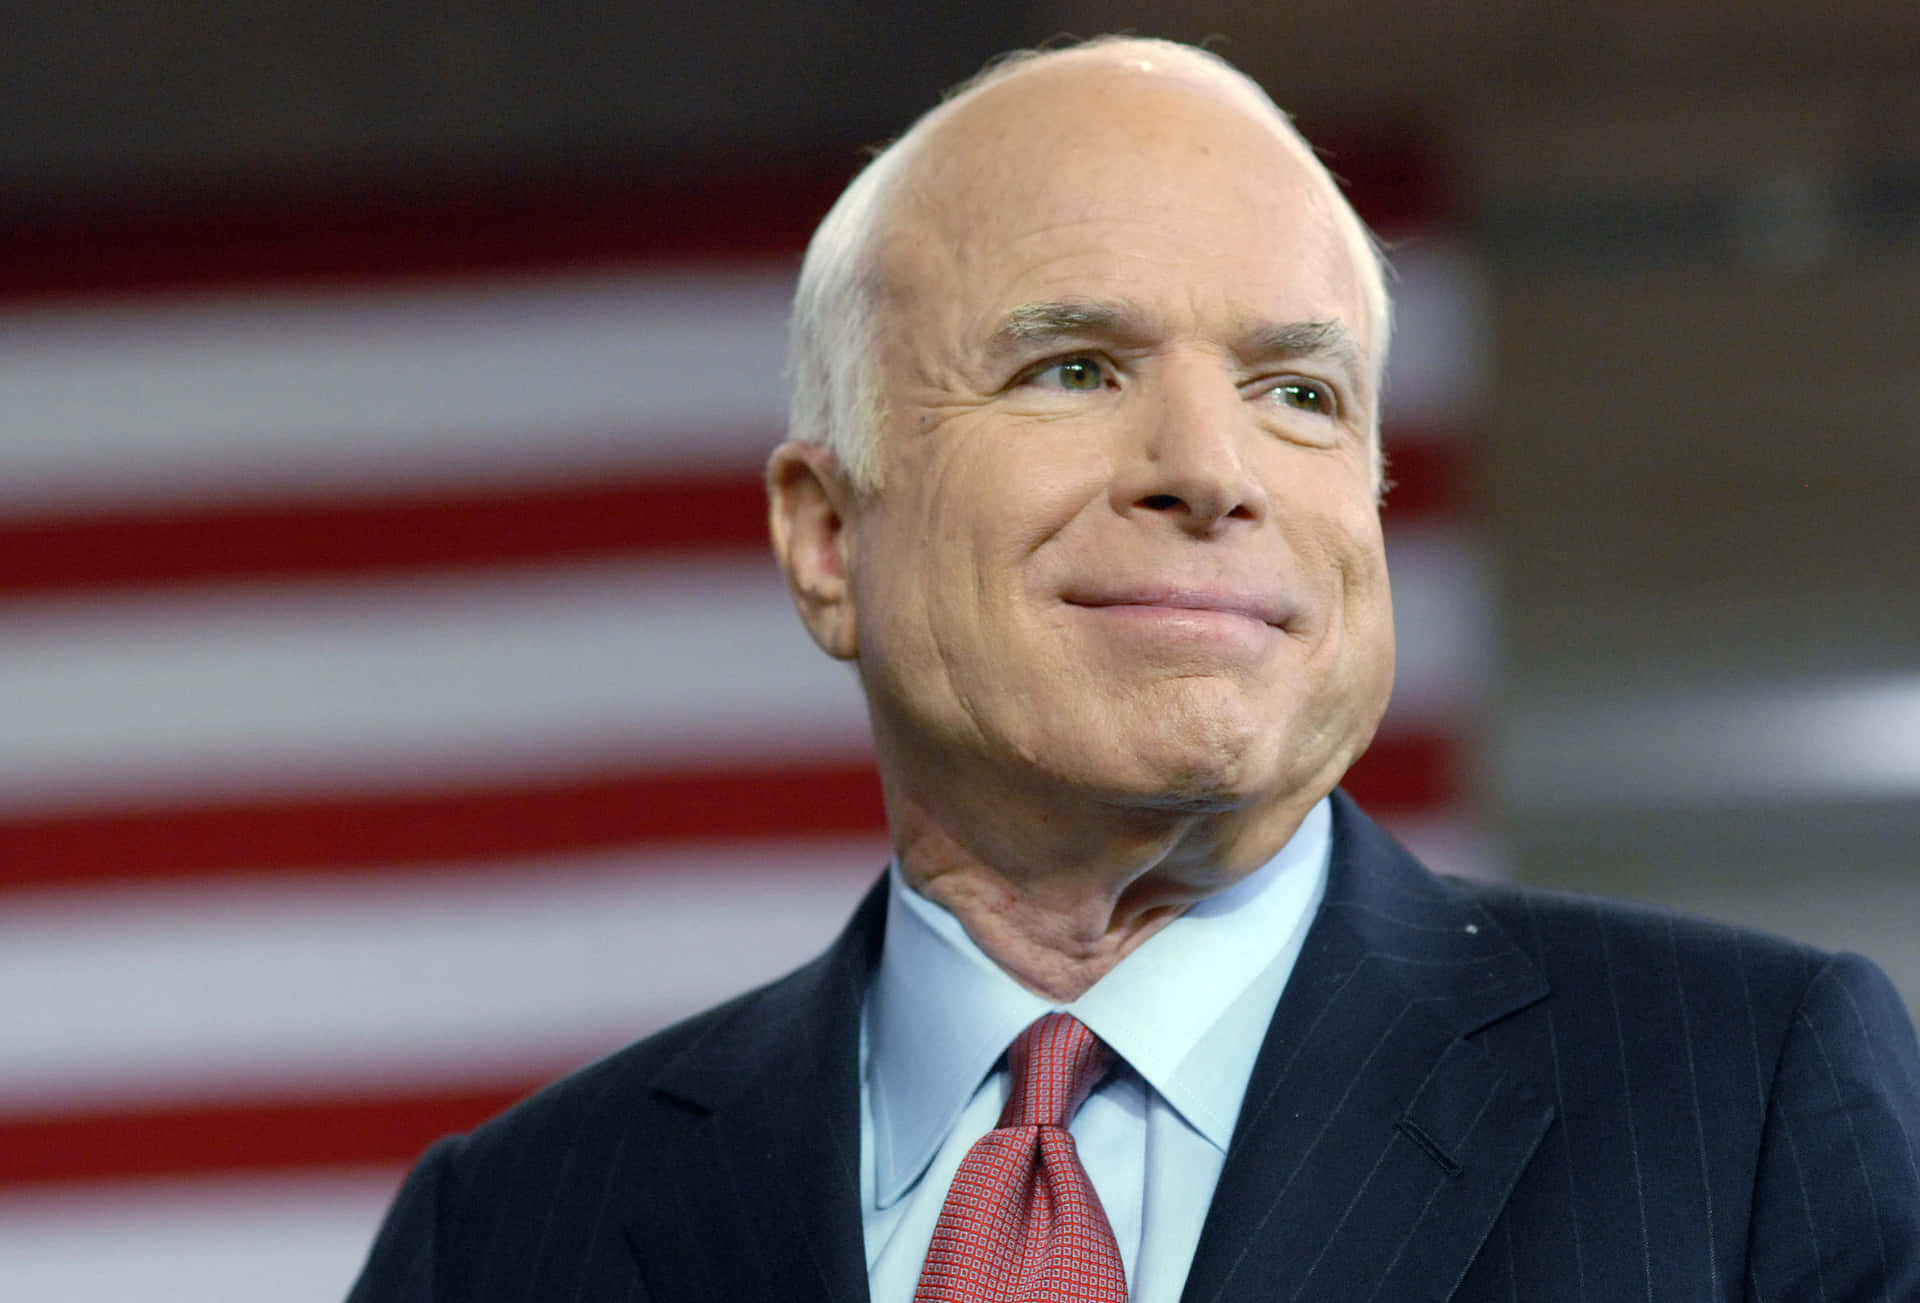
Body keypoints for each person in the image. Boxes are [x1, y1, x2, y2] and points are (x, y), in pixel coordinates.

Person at [347, 36, 1920, 1302]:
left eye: (1297, 390)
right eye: (1077, 367)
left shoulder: (1745, 1100)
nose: (1208, 466)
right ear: (828, 538)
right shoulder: (506, 1235)